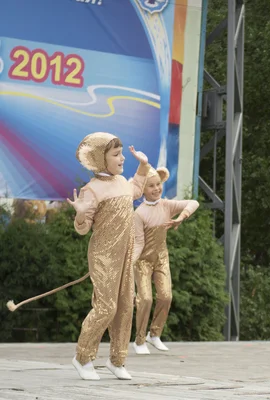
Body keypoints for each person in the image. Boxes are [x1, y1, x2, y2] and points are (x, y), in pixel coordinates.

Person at [68, 132, 149, 380]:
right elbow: (82, 229)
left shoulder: (123, 182)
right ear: (99, 159)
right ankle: (82, 357)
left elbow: (135, 189)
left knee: (126, 305)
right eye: (116, 154)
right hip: (104, 257)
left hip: (125, 255)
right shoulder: (91, 190)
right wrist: (81, 214)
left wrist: (143, 166)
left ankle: (117, 360)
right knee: (106, 307)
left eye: (122, 153)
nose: (122, 158)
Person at [131, 166, 199, 355]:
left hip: (161, 258)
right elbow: (138, 243)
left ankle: (155, 334)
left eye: (158, 184)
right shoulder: (139, 213)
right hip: (142, 260)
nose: (156, 189)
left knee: (166, 296)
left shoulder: (167, 206)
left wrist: (181, 218)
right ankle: (139, 340)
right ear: (143, 190)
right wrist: (130, 261)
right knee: (145, 299)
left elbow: (193, 203)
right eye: (151, 186)